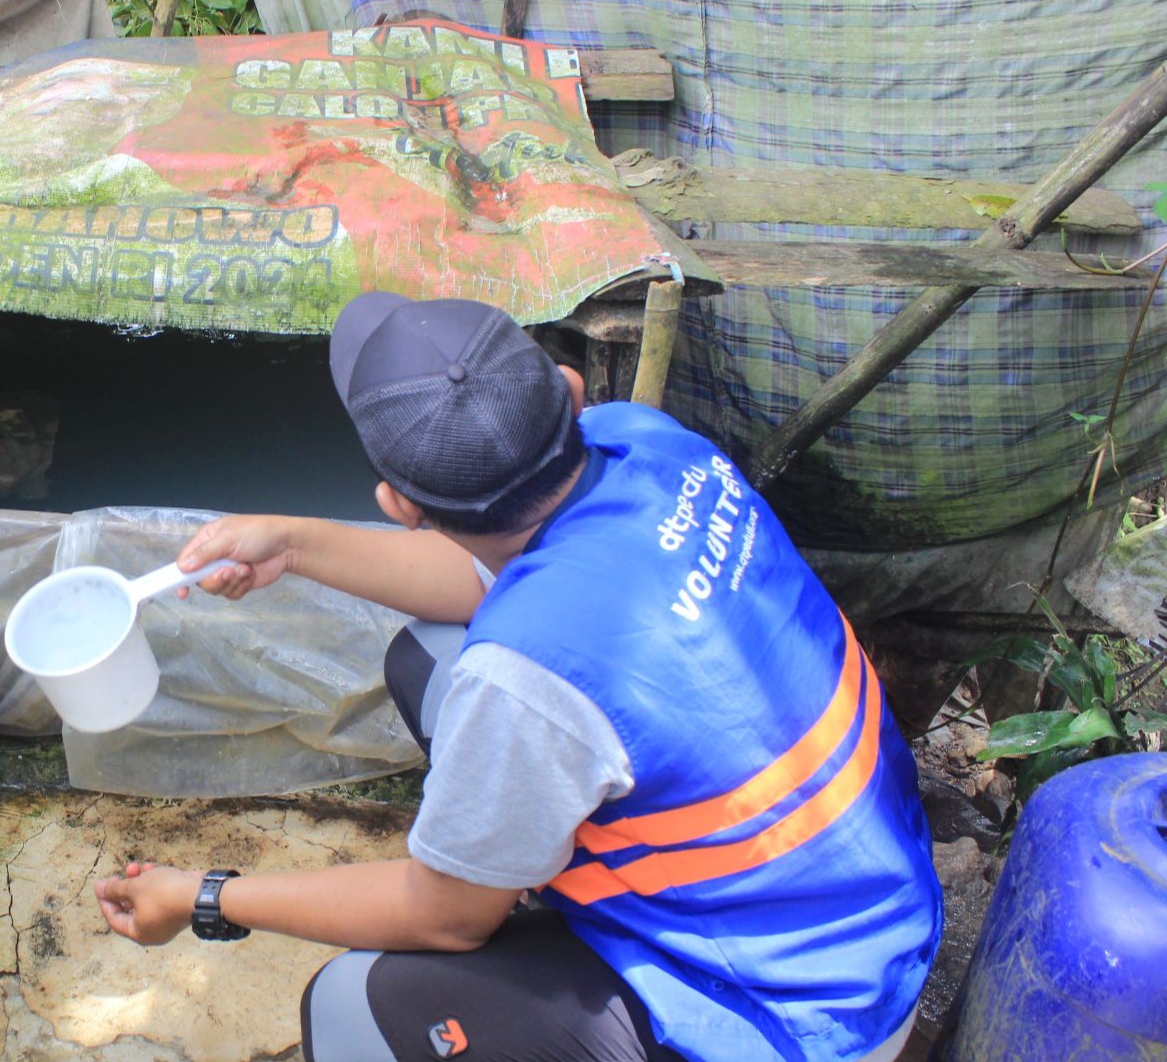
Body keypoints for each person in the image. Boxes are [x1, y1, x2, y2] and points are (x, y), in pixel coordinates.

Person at [91, 293, 942, 1062]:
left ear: (400, 506)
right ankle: (531, 865)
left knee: (354, 1005)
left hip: (804, 1017)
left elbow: (445, 920)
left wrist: (206, 897)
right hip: (869, 902)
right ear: (569, 392)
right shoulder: (645, 441)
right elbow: (481, 580)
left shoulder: (527, 674)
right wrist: (292, 542)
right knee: (427, 660)